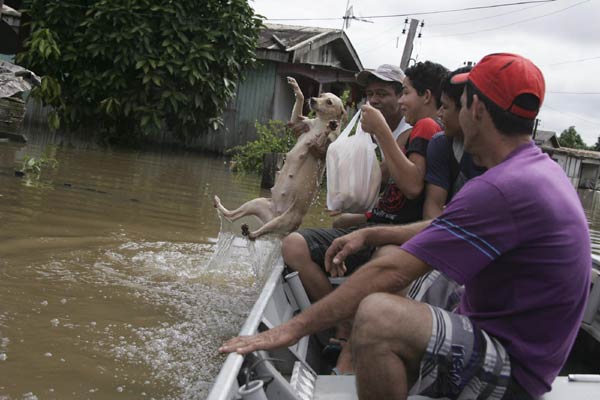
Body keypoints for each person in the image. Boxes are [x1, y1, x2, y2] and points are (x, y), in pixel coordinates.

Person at [220, 53, 592, 400]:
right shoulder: (532, 171)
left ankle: (351, 344)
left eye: (458, 105)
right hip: (520, 346)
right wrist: (372, 232)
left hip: (516, 373)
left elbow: (392, 270)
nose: (455, 114)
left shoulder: (503, 187)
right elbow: (440, 228)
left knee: (377, 315)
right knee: (427, 281)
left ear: (476, 109)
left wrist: (289, 329)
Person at [282, 61, 448, 304]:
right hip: (385, 223)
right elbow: (378, 185)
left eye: (384, 94)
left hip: (394, 233)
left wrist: (380, 131)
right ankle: (338, 315)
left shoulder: (419, 128)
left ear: (416, 95)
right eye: (370, 94)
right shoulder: (390, 131)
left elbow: (411, 189)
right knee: (338, 222)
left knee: (294, 245)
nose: (373, 100)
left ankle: (338, 319)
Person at [423, 66, 486, 219]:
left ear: (474, 109)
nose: (439, 114)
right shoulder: (442, 144)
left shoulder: (506, 161)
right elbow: (433, 209)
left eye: (445, 107)